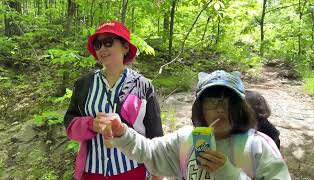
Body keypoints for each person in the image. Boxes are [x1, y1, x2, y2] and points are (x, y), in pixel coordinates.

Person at [102, 70, 291, 179]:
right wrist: (122, 133)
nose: (220, 109)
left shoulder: (258, 146)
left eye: (228, 102)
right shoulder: (186, 139)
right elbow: (150, 151)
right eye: (212, 101)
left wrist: (229, 174)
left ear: (240, 108)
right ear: (200, 109)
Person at [64, 20, 164, 180]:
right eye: (98, 44)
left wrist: (158, 175)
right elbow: (69, 124)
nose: (102, 48)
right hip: (92, 172)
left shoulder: (143, 86)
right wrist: (91, 124)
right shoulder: (84, 84)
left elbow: (156, 135)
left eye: (108, 42)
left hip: (132, 171)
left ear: (125, 47)